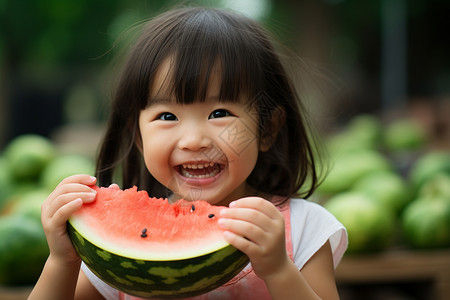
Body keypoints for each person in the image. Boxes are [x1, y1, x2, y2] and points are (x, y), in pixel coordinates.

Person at [29, 6, 347, 300]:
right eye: (167, 117)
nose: (193, 140)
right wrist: (62, 261)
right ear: (137, 136)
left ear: (267, 130)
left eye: (220, 112)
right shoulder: (118, 253)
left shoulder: (305, 227)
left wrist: (279, 270)